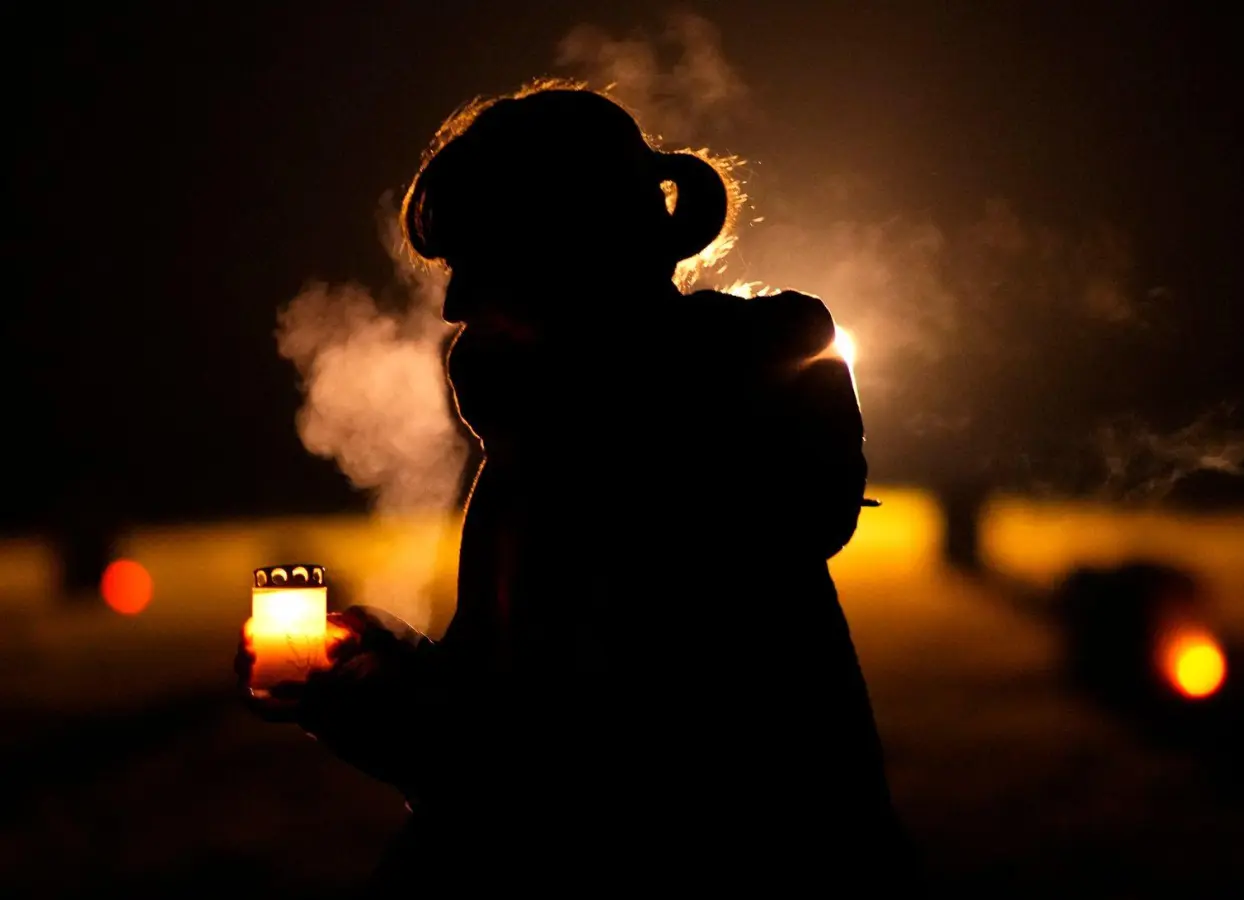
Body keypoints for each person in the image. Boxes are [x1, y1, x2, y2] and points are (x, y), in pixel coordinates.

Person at [235, 83, 918, 893]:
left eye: (474, 262)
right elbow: (507, 697)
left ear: (561, 250)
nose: (453, 303)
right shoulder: (576, 436)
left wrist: (369, 709)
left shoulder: (623, 459)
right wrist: (378, 663)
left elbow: (564, 794)